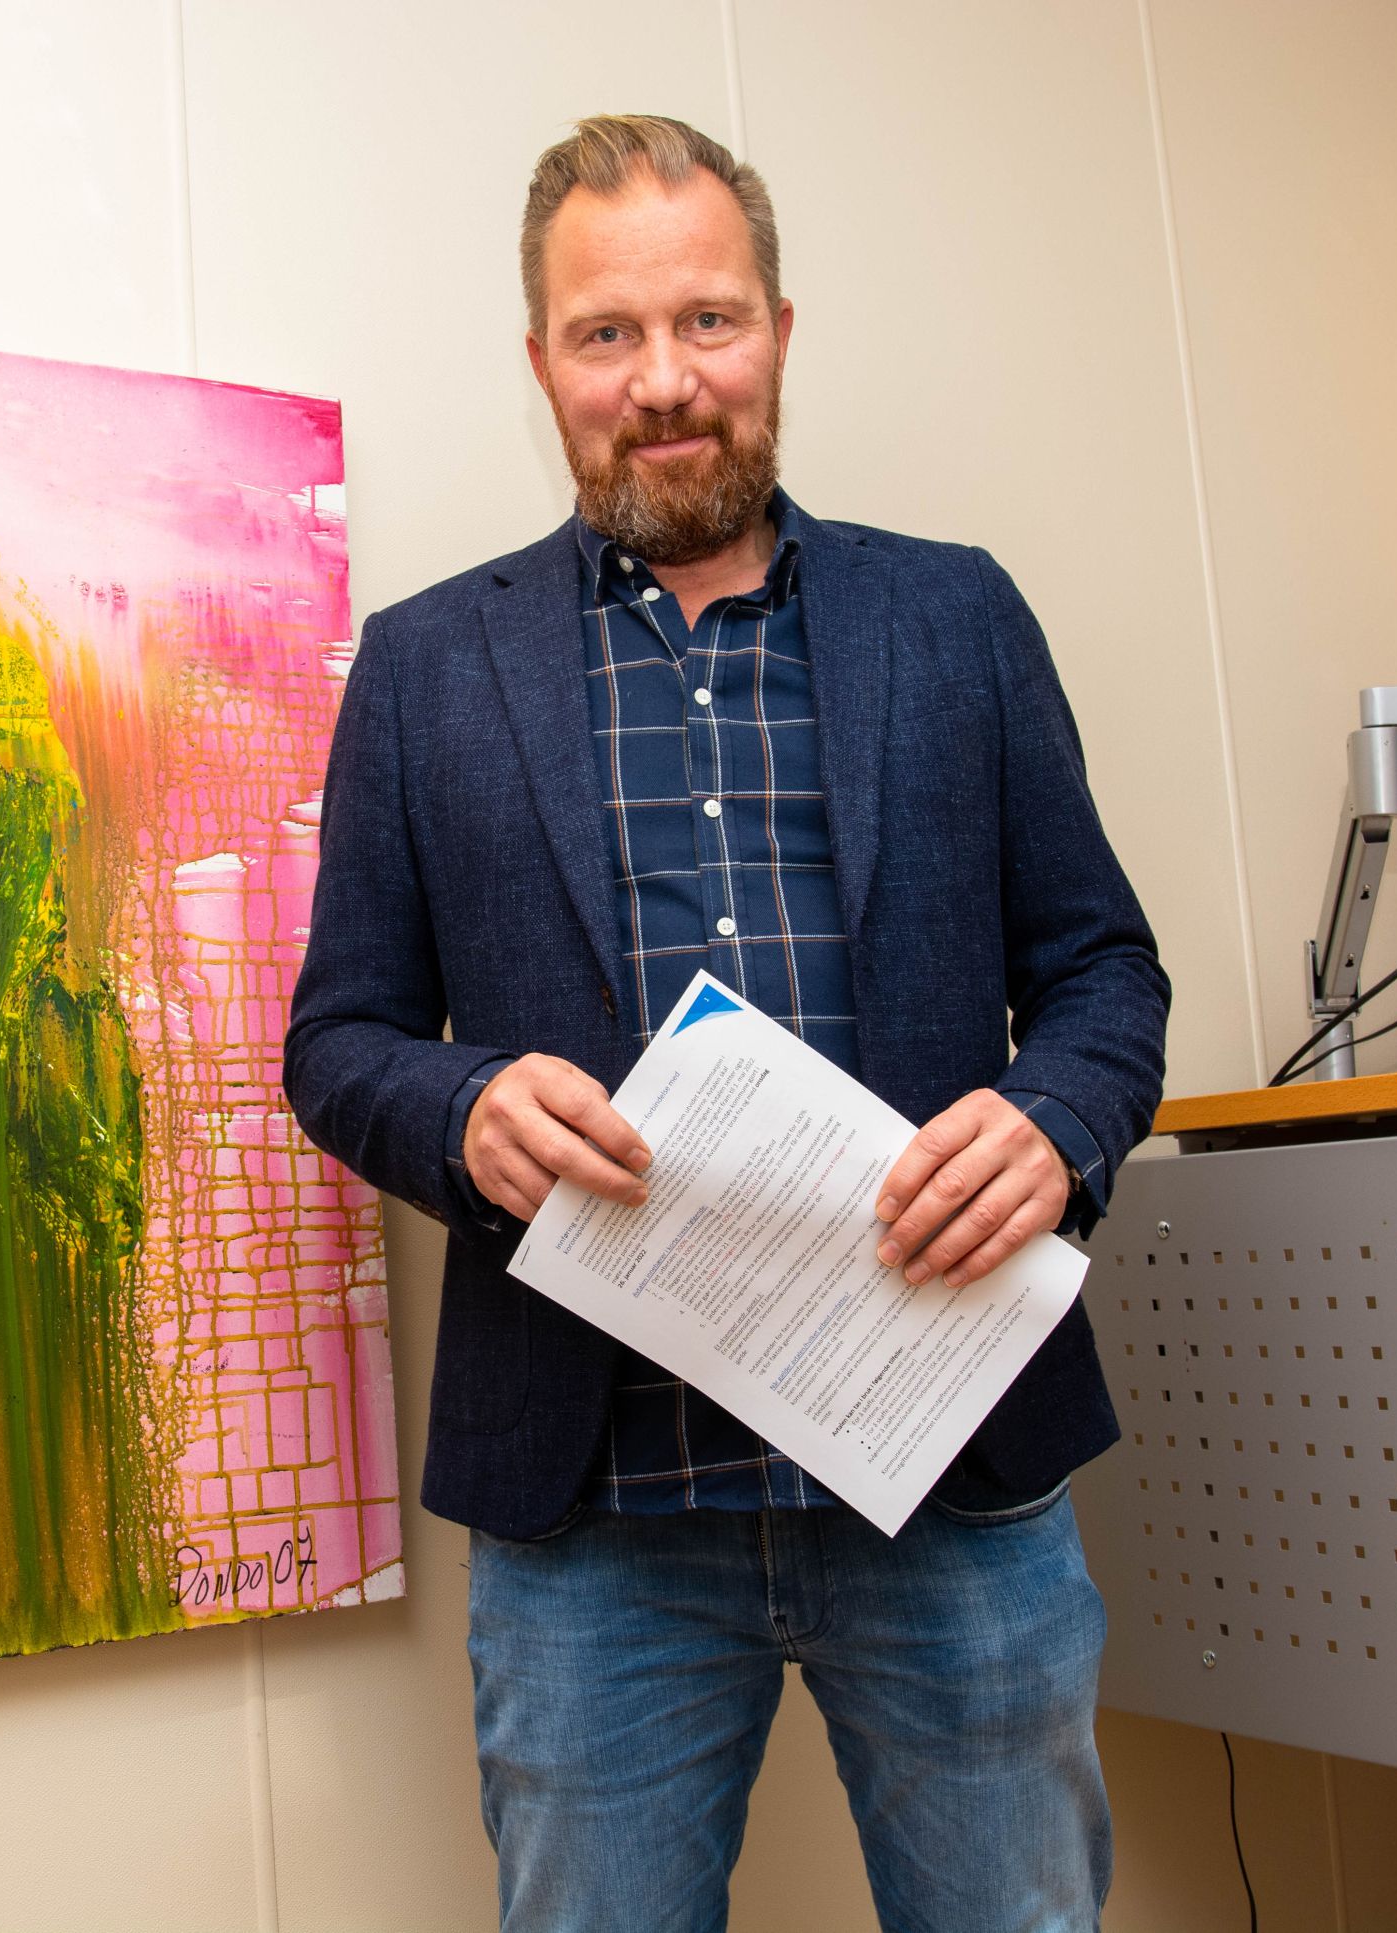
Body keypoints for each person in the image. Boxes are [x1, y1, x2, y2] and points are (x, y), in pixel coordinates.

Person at [284, 114, 1169, 1933]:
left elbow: (1104, 973)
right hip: (595, 1520)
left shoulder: (959, 615)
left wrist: (1057, 1123)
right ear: (543, 362)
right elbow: (339, 1039)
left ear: (779, 329)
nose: (665, 379)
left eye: (709, 320)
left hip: (954, 1474)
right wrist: (460, 1110)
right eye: (607, 333)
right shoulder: (426, 667)